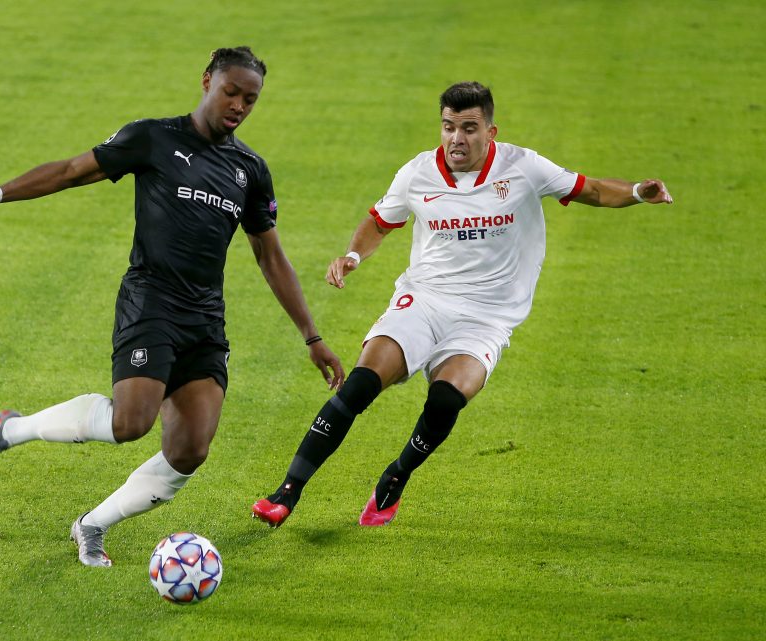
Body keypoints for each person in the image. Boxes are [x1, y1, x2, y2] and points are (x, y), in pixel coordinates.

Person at [0, 46, 345, 566]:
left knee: (190, 449)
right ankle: (11, 428)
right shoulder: (154, 138)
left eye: (250, 99)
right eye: (231, 92)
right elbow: (70, 171)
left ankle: (92, 524)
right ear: (206, 81)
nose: (239, 105)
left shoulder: (250, 170)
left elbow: (270, 255)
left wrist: (312, 336)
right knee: (131, 423)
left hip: (204, 319)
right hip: (150, 301)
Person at [251, 81, 672, 528]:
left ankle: (397, 475)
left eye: (469, 128)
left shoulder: (523, 167)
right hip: (425, 301)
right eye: (449, 127)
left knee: (446, 399)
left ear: (490, 131)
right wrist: (353, 256)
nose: (457, 138)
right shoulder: (417, 172)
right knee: (359, 385)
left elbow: (591, 190)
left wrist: (637, 193)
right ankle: (287, 493)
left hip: (488, 317)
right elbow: (380, 222)